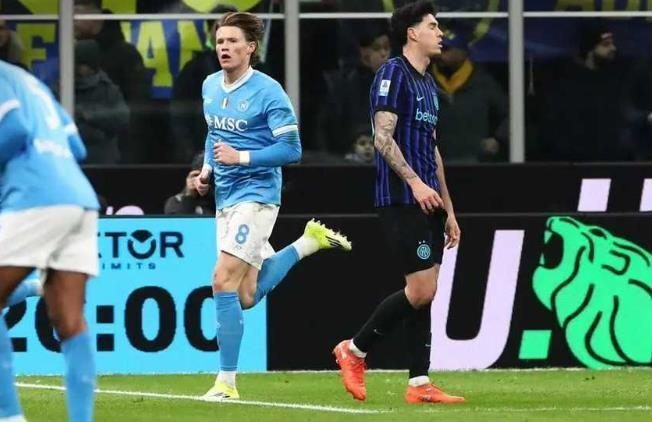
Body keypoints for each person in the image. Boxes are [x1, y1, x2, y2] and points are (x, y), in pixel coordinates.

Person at [193, 12, 353, 400]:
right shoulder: (210, 85)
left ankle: (226, 383)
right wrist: (206, 171)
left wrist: (242, 158)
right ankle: (307, 243)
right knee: (245, 296)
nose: (225, 48)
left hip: (258, 196)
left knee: (222, 280)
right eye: (220, 41)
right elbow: (214, 133)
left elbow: (291, 150)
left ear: (251, 48)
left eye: (233, 41)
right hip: (225, 196)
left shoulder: (269, 92)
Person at [332, 1, 465, 405]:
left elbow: (433, 150)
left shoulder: (429, 85)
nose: (440, 33)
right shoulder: (393, 73)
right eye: (433, 26)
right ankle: (354, 350)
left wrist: (449, 209)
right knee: (420, 290)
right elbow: (382, 138)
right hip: (402, 198)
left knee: (426, 292)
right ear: (412, 32)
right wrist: (416, 184)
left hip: (429, 201)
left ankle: (420, 383)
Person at [0, 61, 99, 421]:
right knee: (68, 319)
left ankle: (9, 415)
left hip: (34, 195)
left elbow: (13, 129)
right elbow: (77, 146)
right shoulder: (31, 82)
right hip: (79, 197)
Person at [430, 28, 508, 163]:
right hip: (434, 163)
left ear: (462, 52)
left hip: (474, 162)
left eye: (446, 50)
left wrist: (497, 139)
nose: (439, 54)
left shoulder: (483, 82)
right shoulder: (423, 80)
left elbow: (511, 115)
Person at [74, 39, 129, 164]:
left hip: (101, 160)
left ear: (91, 66)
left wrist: (87, 114)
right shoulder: (62, 86)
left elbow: (122, 117)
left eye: (81, 64)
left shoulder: (108, 89)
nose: (76, 68)